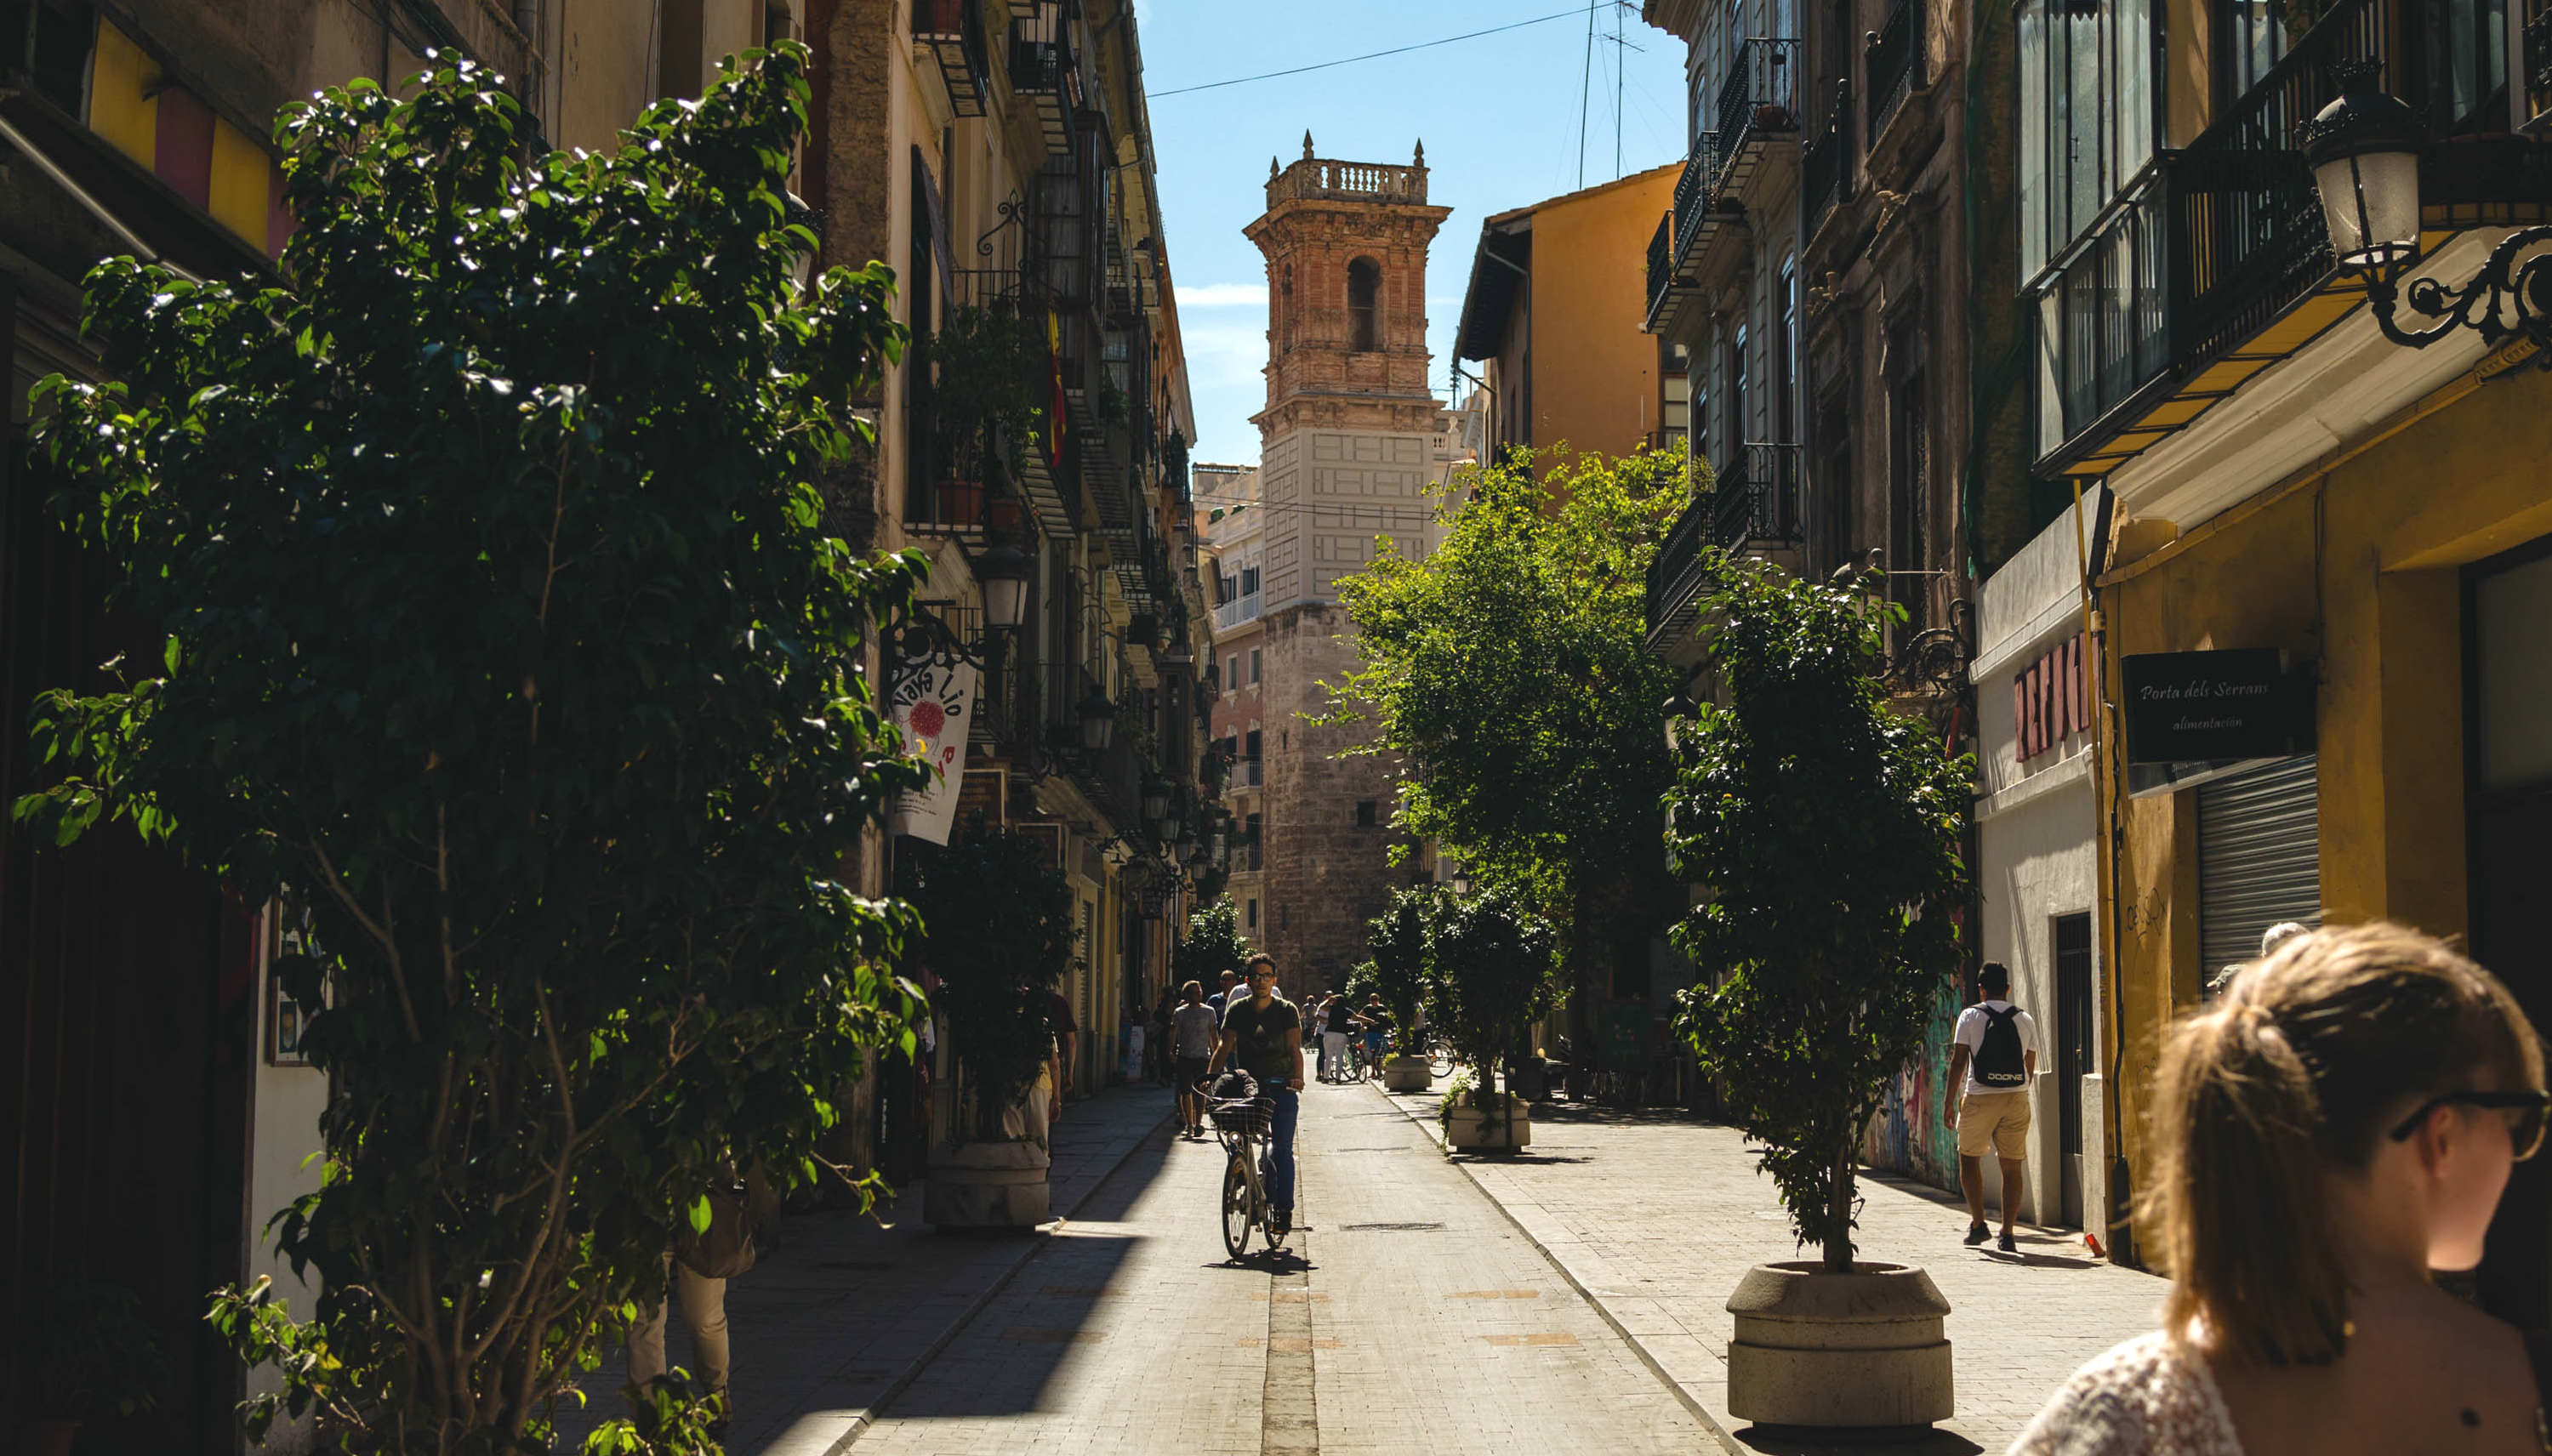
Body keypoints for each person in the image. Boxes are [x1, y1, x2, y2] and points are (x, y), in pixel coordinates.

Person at [2009, 922, 2549, 1456]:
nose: (2521, 1150)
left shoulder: (2124, 1408)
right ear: (2444, 1136)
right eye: (2521, 1121)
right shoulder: (2524, 1387)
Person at [1207, 953, 1305, 1239]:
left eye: (1267, 976)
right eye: (1256, 976)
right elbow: (1224, 1048)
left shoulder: (1286, 1010)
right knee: (1236, 1137)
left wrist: (1297, 1078)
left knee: (1282, 1150)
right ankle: (1241, 1174)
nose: (1261, 981)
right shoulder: (1237, 1009)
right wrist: (1211, 1081)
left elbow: (1294, 1048)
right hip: (1247, 1086)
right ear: (1247, 981)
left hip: (1281, 1087)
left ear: (1274, 980)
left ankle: (1284, 1211)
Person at [1943, 962, 2038, 1253]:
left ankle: (1978, 1224)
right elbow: (2029, 1065)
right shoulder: (2025, 1019)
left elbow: (1959, 1061)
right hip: (2016, 1098)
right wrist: (2016, 1090)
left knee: (1969, 1158)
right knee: (2012, 1166)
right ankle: (2008, 1233)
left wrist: (1950, 1102)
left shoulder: (1970, 1015)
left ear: (1981, 989)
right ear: (2008, 989)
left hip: (1980, 1096)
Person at [1170, 980, 1222, 1139]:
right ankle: (1189, 1124)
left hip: (1203, 1058)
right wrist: (1170, 1051)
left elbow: (1214, 1035)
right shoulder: (1180, 1012)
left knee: (1201, 1092)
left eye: (1199, 992)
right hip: (1184, 1056)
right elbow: (1173, 1033)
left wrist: (1216, 1055)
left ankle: (1199, 1123)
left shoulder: (1209, 1012)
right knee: (1185, 1091)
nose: (1197, 995)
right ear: (1186, 995)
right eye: (1193, 992)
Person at [1044, 983, 1077, 1128]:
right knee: (1051, 1114)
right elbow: (1071, 1042)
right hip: (1054, 1067)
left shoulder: (1023, 1000)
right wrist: (1069, 1074)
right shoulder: (1059, 1003)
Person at [1361, 999, 1390, 1079]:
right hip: (1371, 1031)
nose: (1374, 1002)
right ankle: (1373, 1071)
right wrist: (1363, 1025)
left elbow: (1389, 1016)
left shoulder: (1382, 1008)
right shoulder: (1367, 1008)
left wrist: (1387, 1027)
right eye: (1372, 1000)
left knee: (1381, 1051)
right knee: (1372, 1051)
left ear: (1378, 1000)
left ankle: (1380, 1070)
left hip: (1381, 1031)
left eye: (1375, 1000)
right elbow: (1360, 1015)